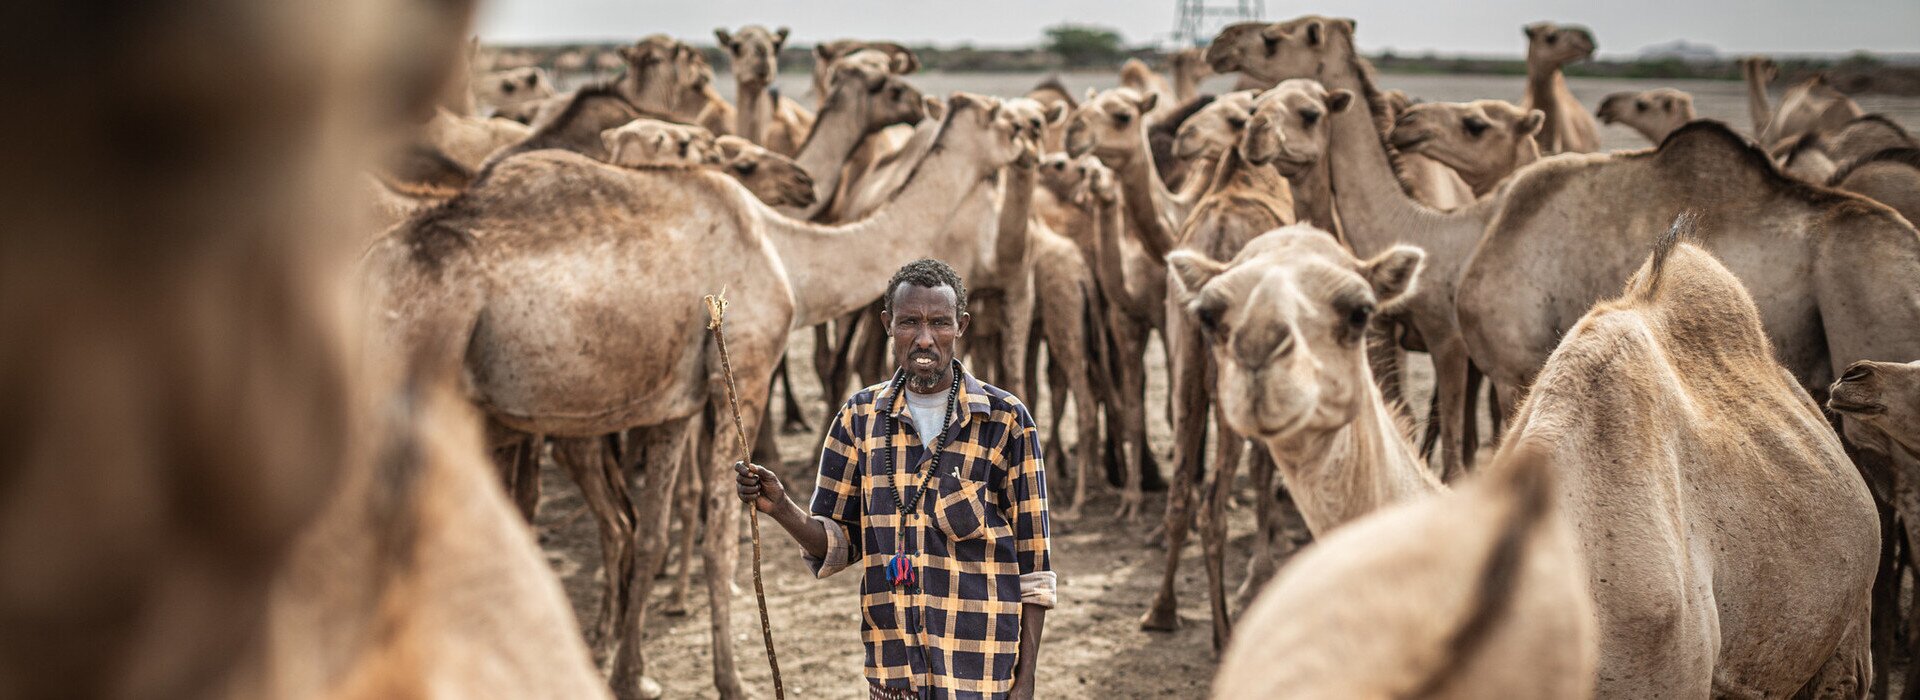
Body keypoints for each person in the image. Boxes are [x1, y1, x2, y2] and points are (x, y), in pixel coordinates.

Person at [737, 258, 1054, 699]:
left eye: (939, 323)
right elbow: (838, 543)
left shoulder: (1006, 422)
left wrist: (1026, 681)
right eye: (910, 322)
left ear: (960, 326)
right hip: (894, 673)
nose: (925, 338)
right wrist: (781, 508)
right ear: (888, 324)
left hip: (982, 675)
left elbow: (1034, 569)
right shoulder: (859, 419)